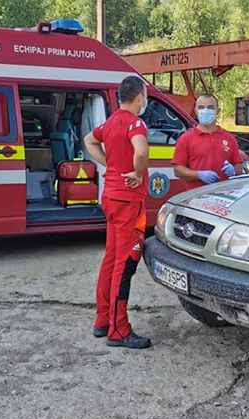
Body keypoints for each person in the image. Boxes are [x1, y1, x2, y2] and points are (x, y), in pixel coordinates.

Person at [82, 75, 151, 349]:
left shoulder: (110, 123)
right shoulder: (135, 123)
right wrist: (138, 172)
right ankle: (119, 329)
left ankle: (103, 320)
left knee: (111, 259)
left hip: (111, 197)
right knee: (125, 263)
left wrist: (108, 163)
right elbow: (141, 151)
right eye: (145, 96)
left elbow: (89, 140)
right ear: (140, 97)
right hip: (128, 201)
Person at [172, 94, 244, 191]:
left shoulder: (229, 138)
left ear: (217, 111)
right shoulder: (186, 139)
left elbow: (239, 168)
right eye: (201, 107)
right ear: (195, 111)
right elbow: (177, 170)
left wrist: (234, 171)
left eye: (210, 107)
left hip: (224, 195)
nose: (205, 111)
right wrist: (199, 175)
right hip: (196, 196)